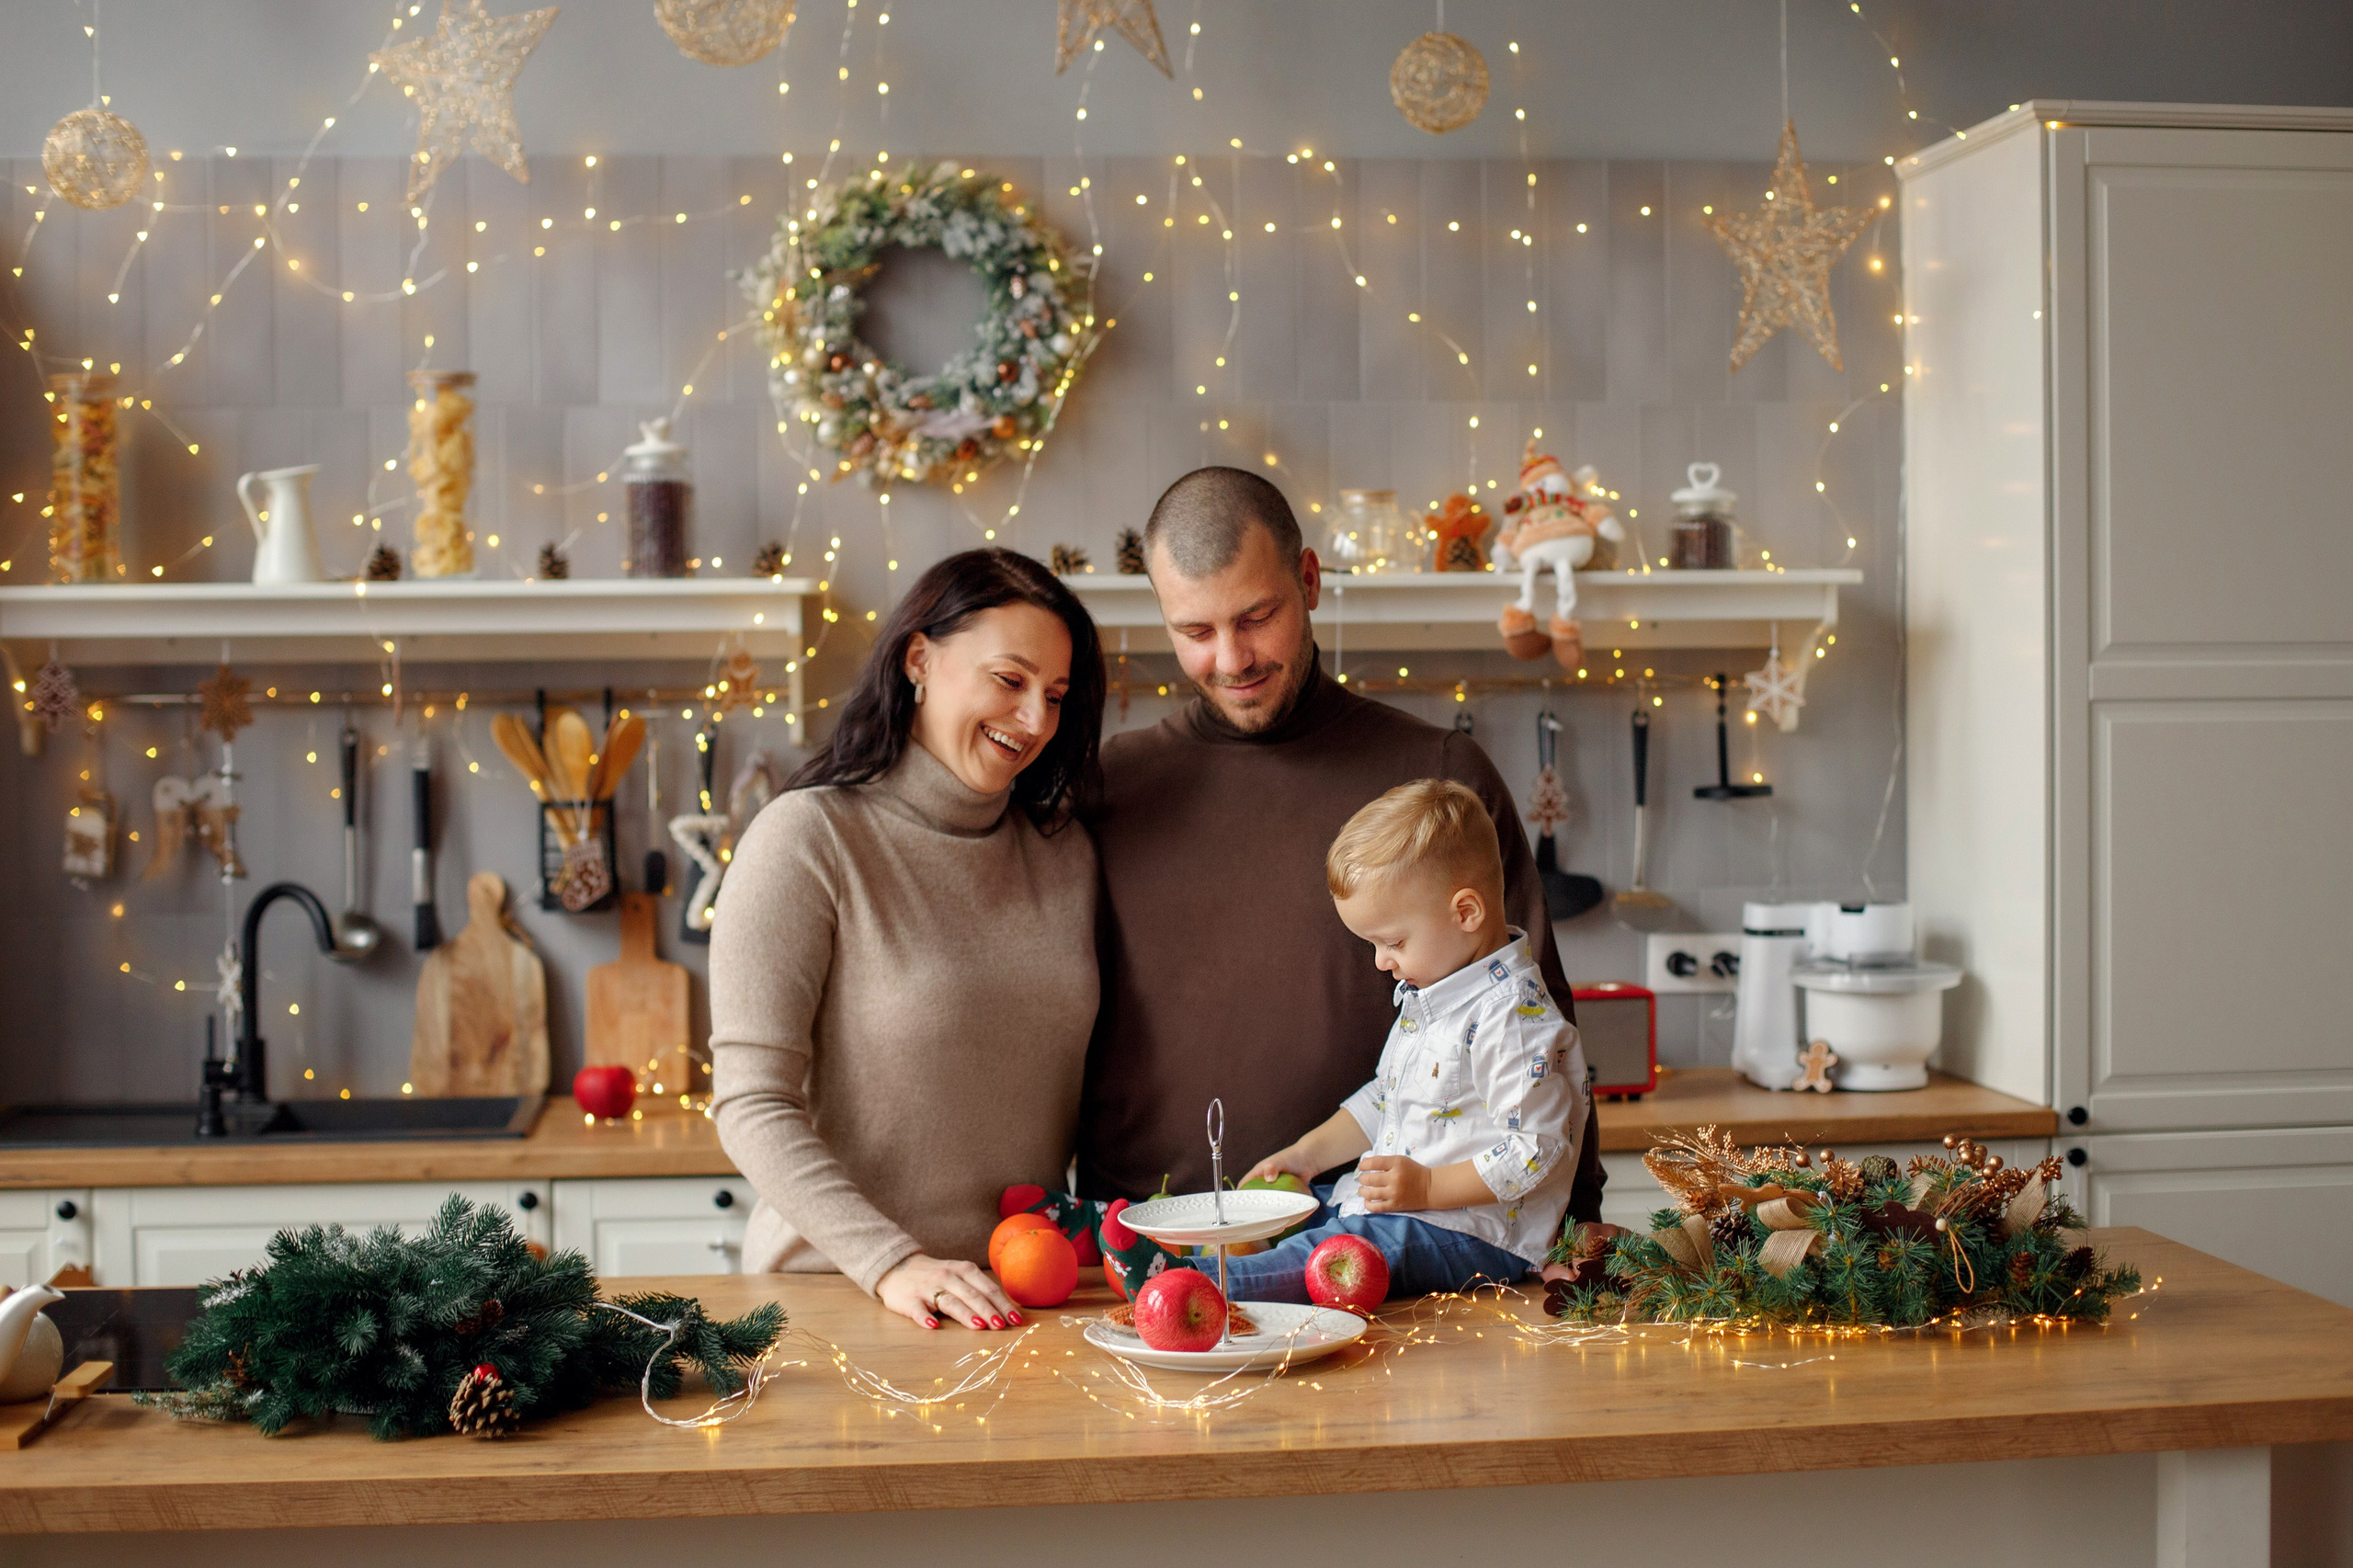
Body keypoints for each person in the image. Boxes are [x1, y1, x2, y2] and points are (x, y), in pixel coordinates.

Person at [1080, 466, 1605, 1226]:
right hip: (1139, 1240)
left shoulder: (1440, 782)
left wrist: (1575, 1236)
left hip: (1391, 1261)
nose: (1231, 660)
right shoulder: (1111, 788)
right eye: (1195, 632)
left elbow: (1540, 1031)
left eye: (1256, 616)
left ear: (1310, 579)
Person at [710, 549, 1106, 1333]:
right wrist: (891, 1262)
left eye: (1055, 696)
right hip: (837, 1293)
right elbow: (749, 1102)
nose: (1033, 721)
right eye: (1009, 679)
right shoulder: (807, 839)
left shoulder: (1064, 855)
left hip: (1015, 1299)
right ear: (919, 658)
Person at [1198, 779, 1588, 1302]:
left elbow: (1538, 1150)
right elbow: (1387, 1099)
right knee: (1290, 1207)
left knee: (1341, 1251)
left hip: (1477, 1234)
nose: (1382, 961)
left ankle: (1202, 1286)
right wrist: (1306, 1156)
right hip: (1408, 1210)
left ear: (1466, 912)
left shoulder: (1512, 1019)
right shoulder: (1435, 996)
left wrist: (1428, 1188)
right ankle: (1192, 1258)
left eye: (1394, 942)